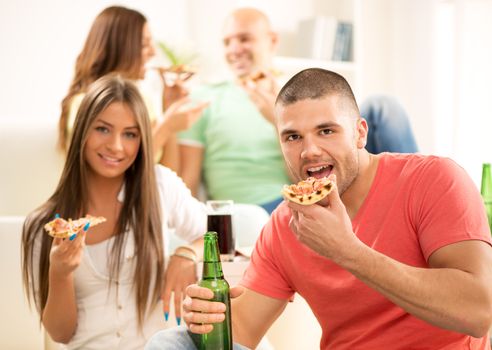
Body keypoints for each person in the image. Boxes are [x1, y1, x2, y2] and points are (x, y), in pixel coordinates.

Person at [146, 68, 492, 349]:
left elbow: (477, 311)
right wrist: (207, 316)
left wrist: (348, 251)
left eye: (326, 131)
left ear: (359, 134)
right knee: (170, 343)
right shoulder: (285, 224)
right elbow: (243, 330)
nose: (309, 150)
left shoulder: (434, 180)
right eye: (292, 136)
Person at [22, 75, 207, 349]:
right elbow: (60, 333)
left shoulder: (158, 186)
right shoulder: (43, 225)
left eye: (130, 134)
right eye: (103, 129)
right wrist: (60, 273)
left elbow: (218, 232)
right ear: (82, 131)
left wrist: (187, 254)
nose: (116, 146)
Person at [178, 8, 418, 215]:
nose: (234, 49)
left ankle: (413, 201)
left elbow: (319, 164)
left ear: (272, 41)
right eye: (227, 42)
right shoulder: (203, 99)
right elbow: (186, 185)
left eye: (244, 39)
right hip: (257, 208)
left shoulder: (300, 93)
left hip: (323, 185)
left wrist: (276, 119)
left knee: (382, 108)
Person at [58, 5, 208, 171]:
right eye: (144, 44)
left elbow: (166, 176)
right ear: (119, 47)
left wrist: (169, 109)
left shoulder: (142, 101)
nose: (152, 52)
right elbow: (121, 176)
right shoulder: (85, 102)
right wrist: (166, 127)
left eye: (130, 134)